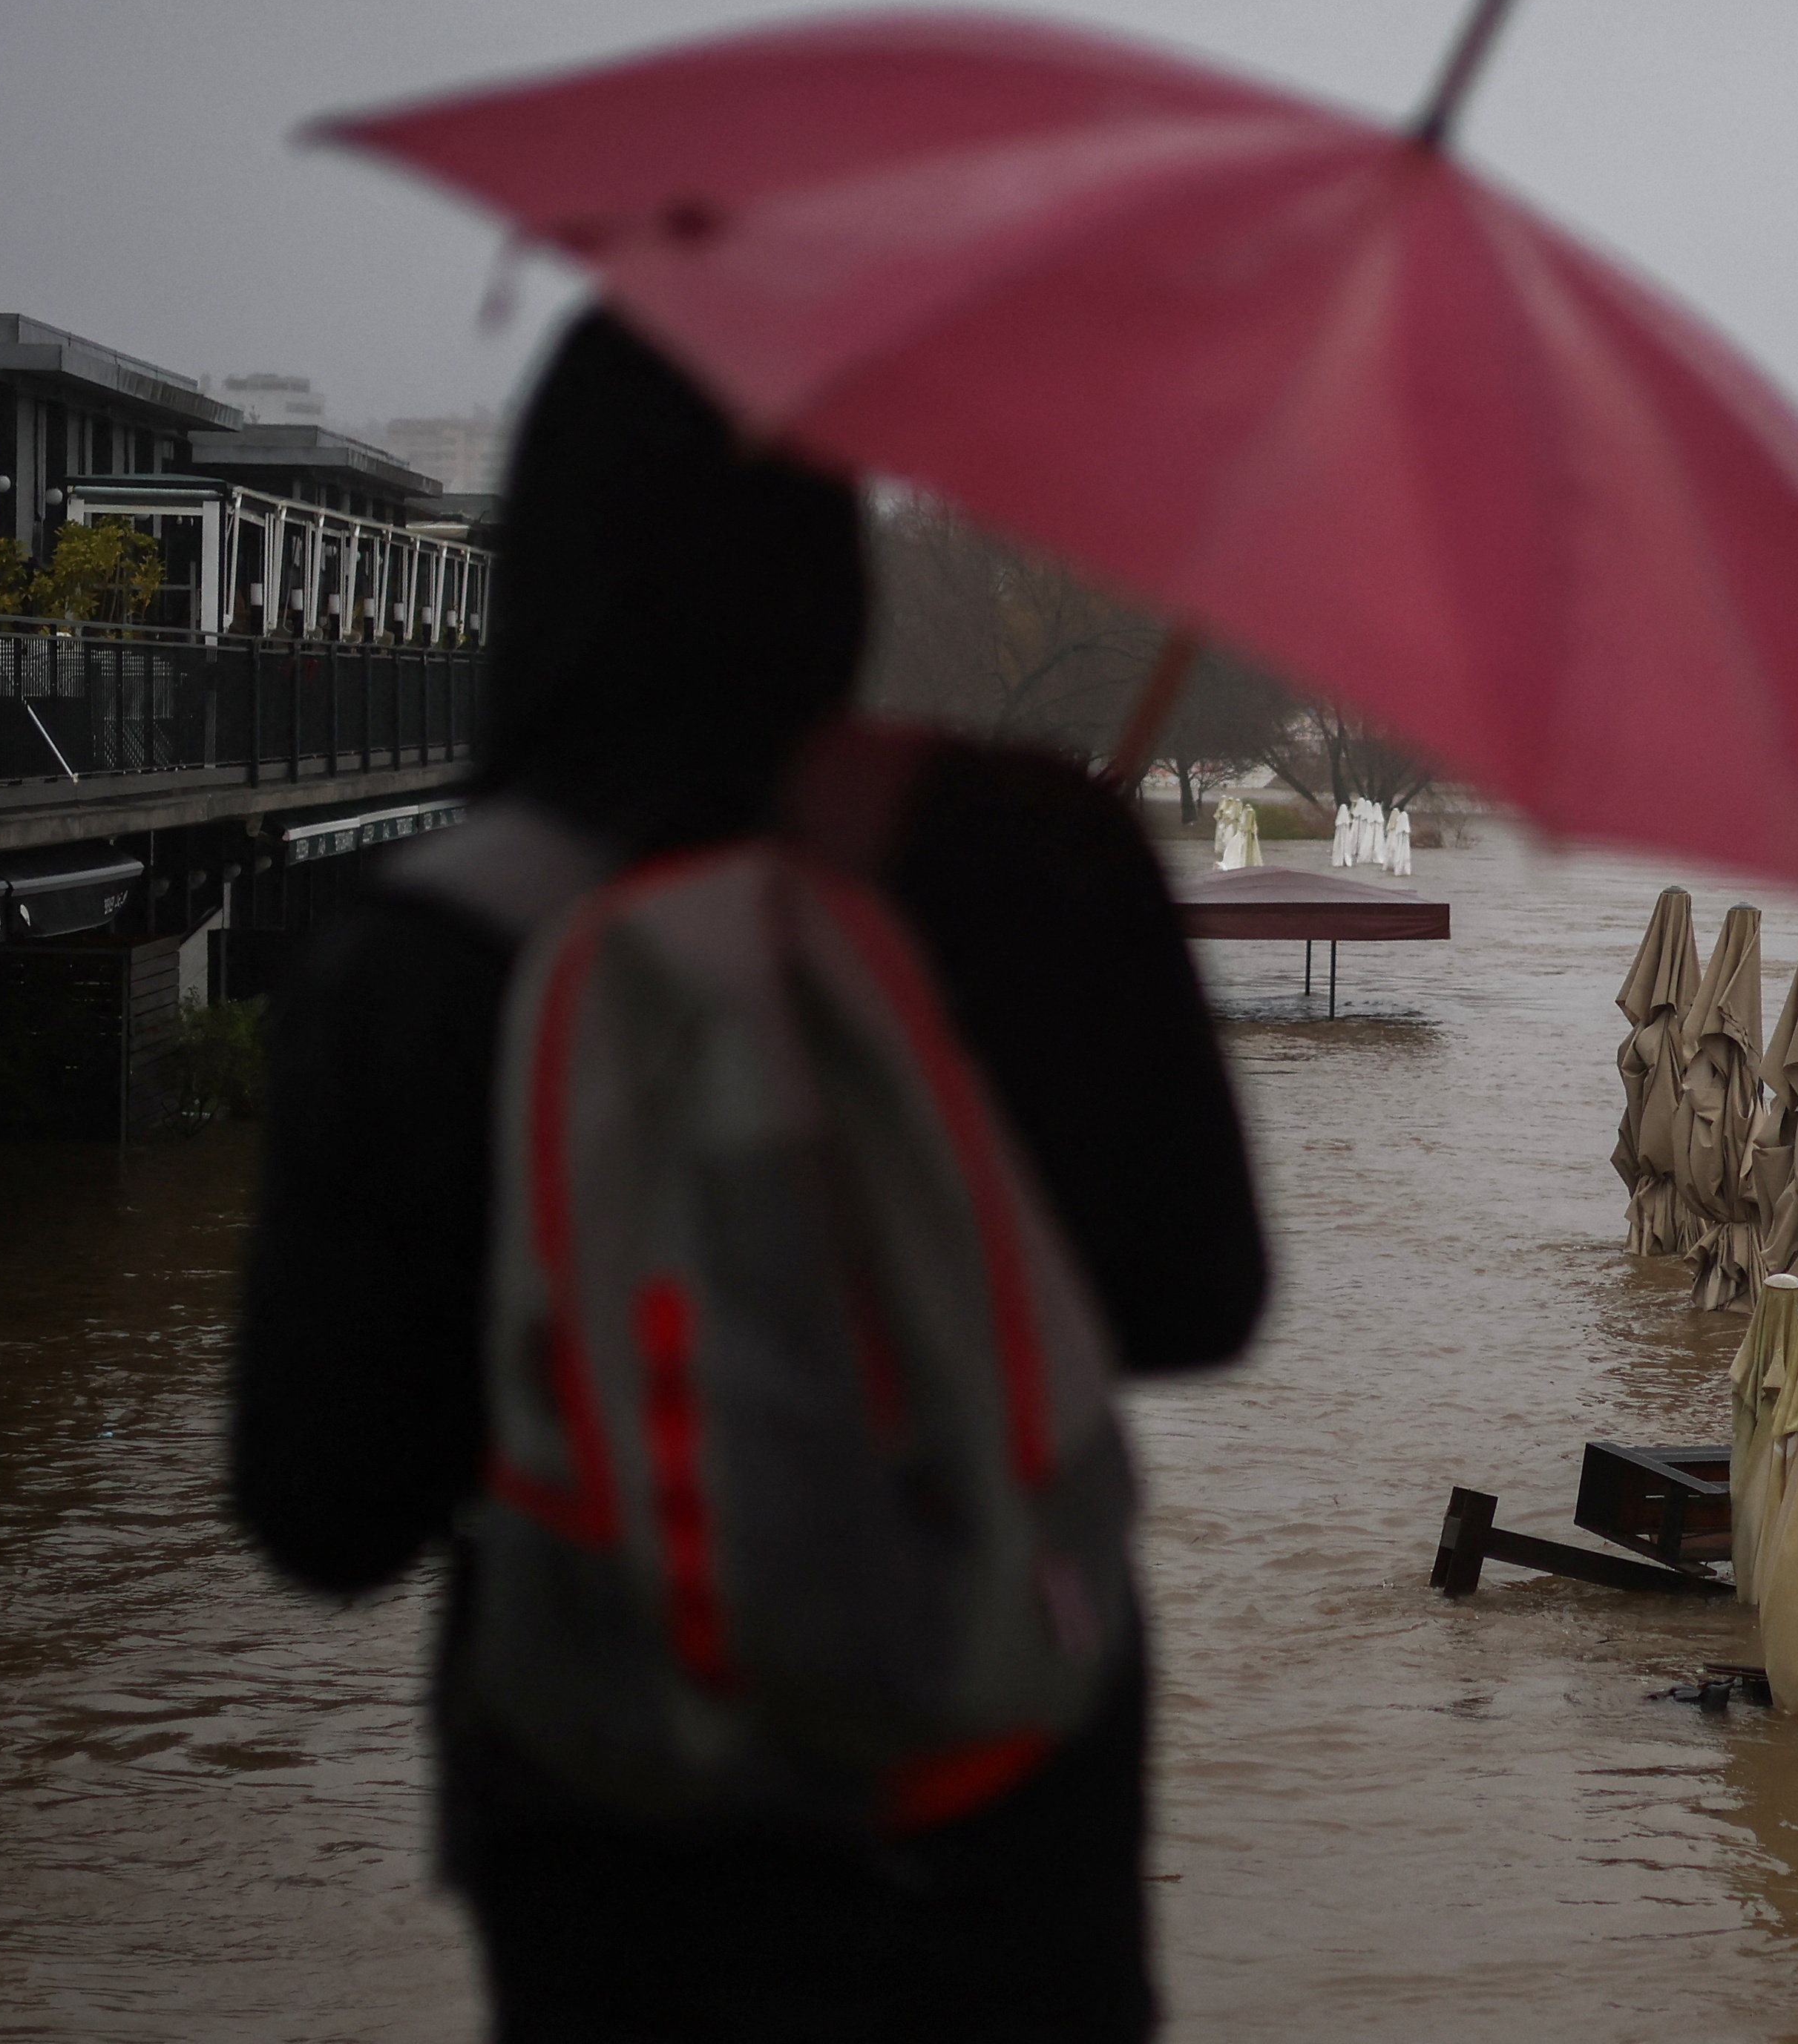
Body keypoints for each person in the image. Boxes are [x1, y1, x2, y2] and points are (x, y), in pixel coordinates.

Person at [231, 308, 1270, 2042]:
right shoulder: (1035, 853)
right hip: (1005, 1838)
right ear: (829, 550)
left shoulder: (420, 945)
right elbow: (1201, 1301)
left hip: (621, 1866)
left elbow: (323, 1510)